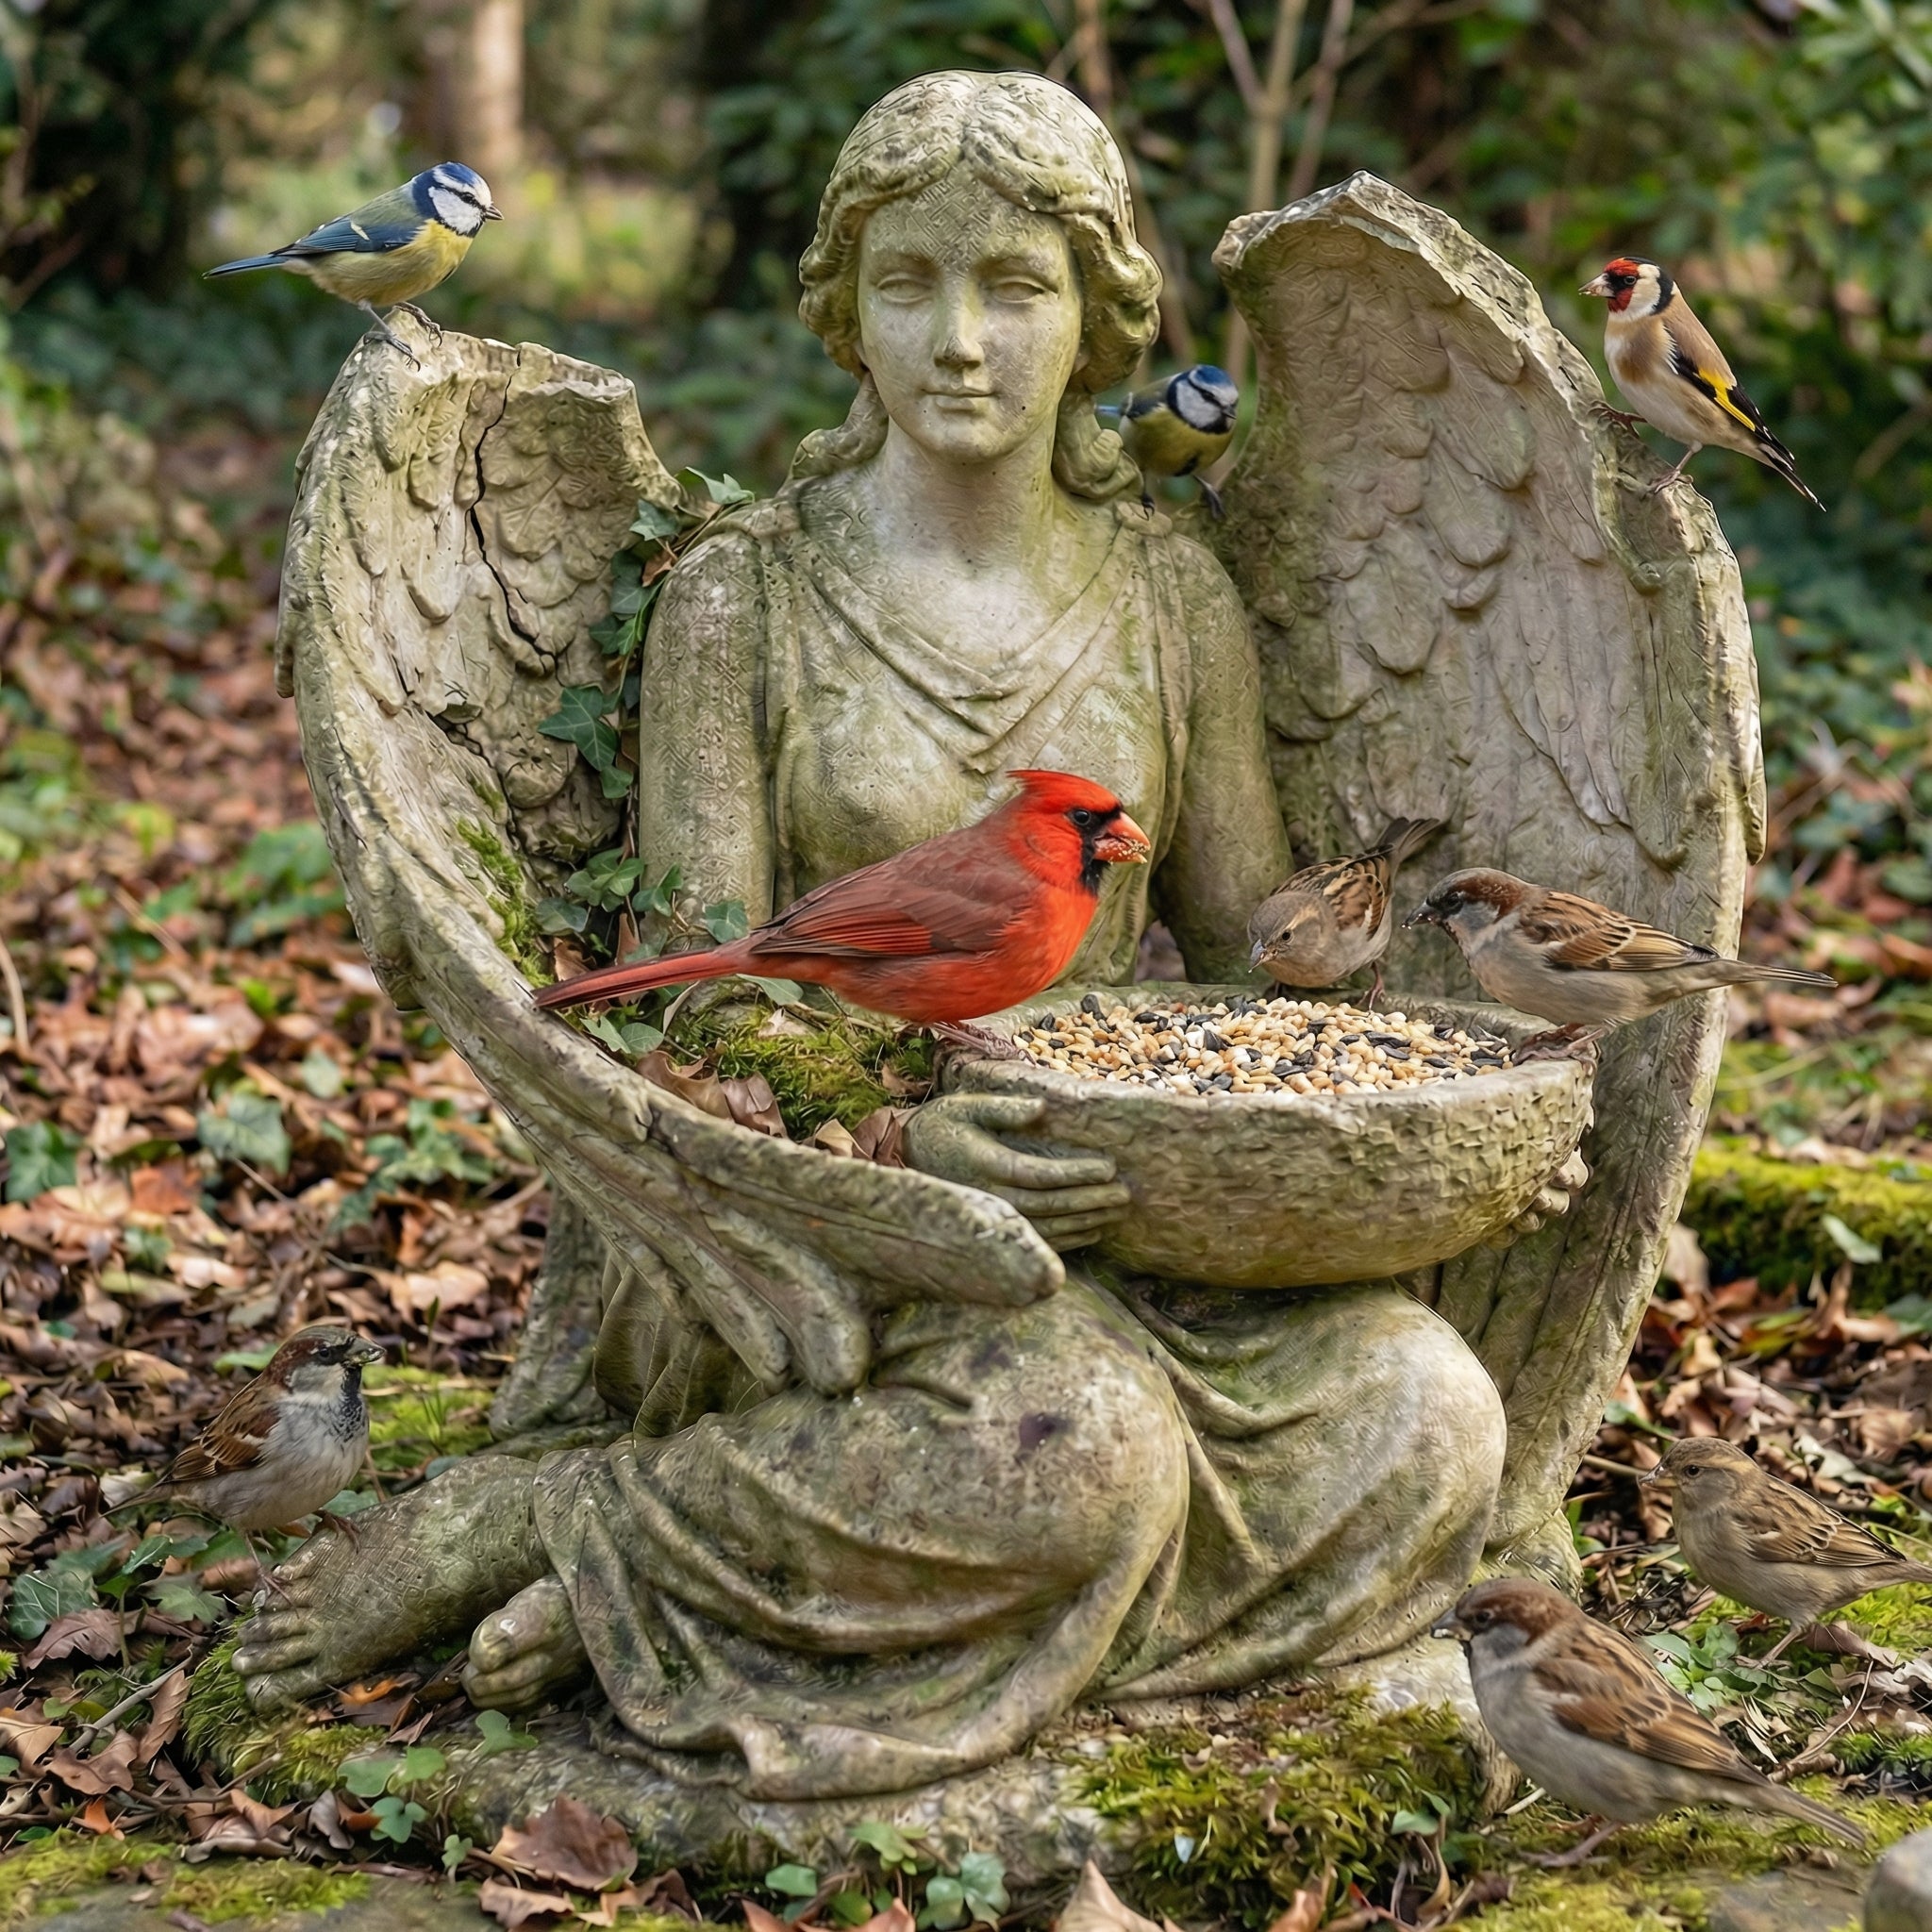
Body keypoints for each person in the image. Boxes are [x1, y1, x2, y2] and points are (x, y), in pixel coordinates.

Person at [236, 71, 1506, 1801]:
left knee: (1433, 1410)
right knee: (1085, 1462)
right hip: (839, 1258)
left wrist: (1413, 1119)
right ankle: (576, 1518)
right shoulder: (743, 598)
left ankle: (775, 1597)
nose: (962, 340)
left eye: (1019, 286)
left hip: (1139, 1231)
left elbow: (1246, 968)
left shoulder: (1175, 596)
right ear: (843, 312)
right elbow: (702, 1011)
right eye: (910, 284)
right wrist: (905, 1137)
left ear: (1105, 319)